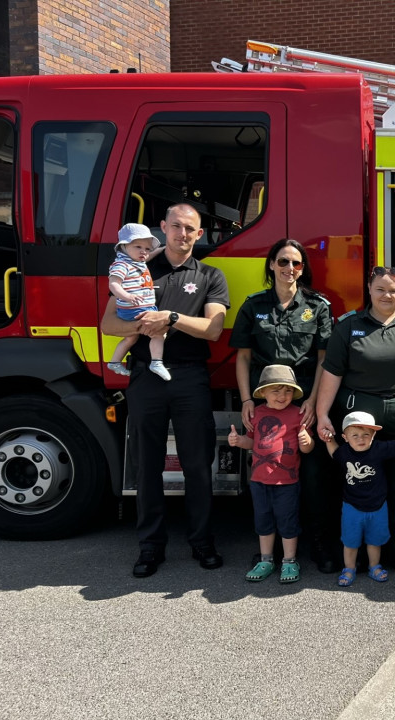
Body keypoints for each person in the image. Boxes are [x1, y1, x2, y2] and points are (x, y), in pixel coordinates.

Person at [101, 204, 230, 578]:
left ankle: (202, 542)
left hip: (190, 378)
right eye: (176, 226)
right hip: (145, 377)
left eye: (190, 228)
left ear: (200, 233)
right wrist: (143, 325)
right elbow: (109, 324)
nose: (183, 234)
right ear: (162, 228)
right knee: (147, 467)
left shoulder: (210, 275)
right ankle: (150, 547)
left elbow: (213, 330)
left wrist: (169, 318)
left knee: (197, 465)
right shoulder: (139, 267)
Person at [316, 266, 395, 580]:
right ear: (369, 290)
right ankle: (355, 556)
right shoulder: (349, 327)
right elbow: (332, 374)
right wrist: (321, 414)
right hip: (360, 418)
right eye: (381, 289)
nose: (388, 295)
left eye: (394, 290)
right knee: (356, 487)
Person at [229, 239, 336, 573]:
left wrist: (315, 403)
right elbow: (243, 356)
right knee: (265, 476)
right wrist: (247, 399)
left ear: (303, 268)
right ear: (271, 265)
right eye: (283, 262)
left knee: (315, 477)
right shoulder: (254, 305)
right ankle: (267, 552)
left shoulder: (317, 306)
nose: (290, 269)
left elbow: (324, 359)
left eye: (297, 263)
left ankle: (316, 544)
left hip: (303, 403)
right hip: (265, 404)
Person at [228, 365, 313, 584]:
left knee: (288, 521)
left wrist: (307, 442)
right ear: (262, 392)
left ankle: (289, 560)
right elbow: (253, 442)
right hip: (259, 480)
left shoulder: (298, 414)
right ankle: (266, 559)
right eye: (275, 390)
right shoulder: (256, 413)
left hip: (288, 481)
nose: (282, 396)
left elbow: (307, 449)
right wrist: (238, 442)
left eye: (287, 391)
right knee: (263, 521)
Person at [324, 411, 395, 587]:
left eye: (366, 434)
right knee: (350, 542)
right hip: (351, 507)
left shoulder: (378, 449)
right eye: (354, 435)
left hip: (378, 506)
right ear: (345, 437)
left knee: (375, 540)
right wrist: (328, 439)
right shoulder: (344, 453)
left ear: (373, 435)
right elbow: (333, 452)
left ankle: (374, 566)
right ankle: (349, 568)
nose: (360, 439)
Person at [106, 223, 170, 381]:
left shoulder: (136, 261)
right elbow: (113, 284)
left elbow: (148, 257)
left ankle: (114, 361)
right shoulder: (121, 264)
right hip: (133, 309)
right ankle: (156, 362)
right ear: (124, 246)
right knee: (159, 333)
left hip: (140, 307)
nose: (144, 252)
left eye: (147, 248)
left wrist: (160, 250)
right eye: (138, 246)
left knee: (131, 338)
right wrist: (127, 296)